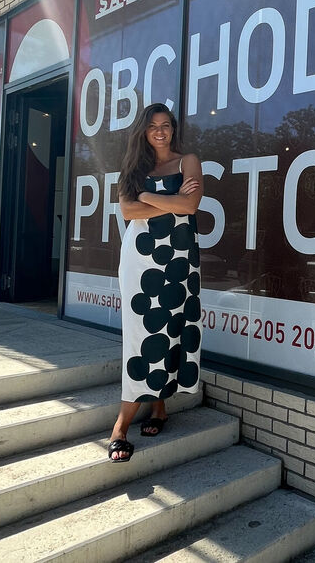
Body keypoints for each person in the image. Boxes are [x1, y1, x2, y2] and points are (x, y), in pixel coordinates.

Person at [107, 103, 203, 462]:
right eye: (152, 126)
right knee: (141, 336)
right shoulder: (134, 167)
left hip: (179, 261)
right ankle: (121, 426)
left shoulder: (188, 161)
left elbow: (190, 207)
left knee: (172, 330)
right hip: (140, 261)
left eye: (165, 125)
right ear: (143, 132)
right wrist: (171, 201)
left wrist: (146, 196)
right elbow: (128, 211)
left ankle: (160, 407)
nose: (160, 132)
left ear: (173, 128)